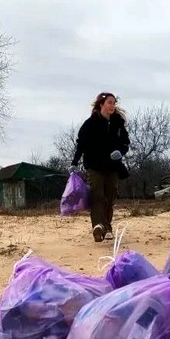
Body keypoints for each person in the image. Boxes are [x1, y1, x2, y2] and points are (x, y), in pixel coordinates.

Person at [70, 92, 131, 243]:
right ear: (101, 104)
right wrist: (74, 163)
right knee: (97, 195)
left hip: (112, 167)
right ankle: (98, 226)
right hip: (94, 166)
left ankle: (107, 227)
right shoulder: (90, 123)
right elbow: (81, 144)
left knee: (109, 197)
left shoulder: (118, 123)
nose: (112, 105)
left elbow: (125, 143)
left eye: (114, 103)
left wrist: (121, 151)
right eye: (110, 102)